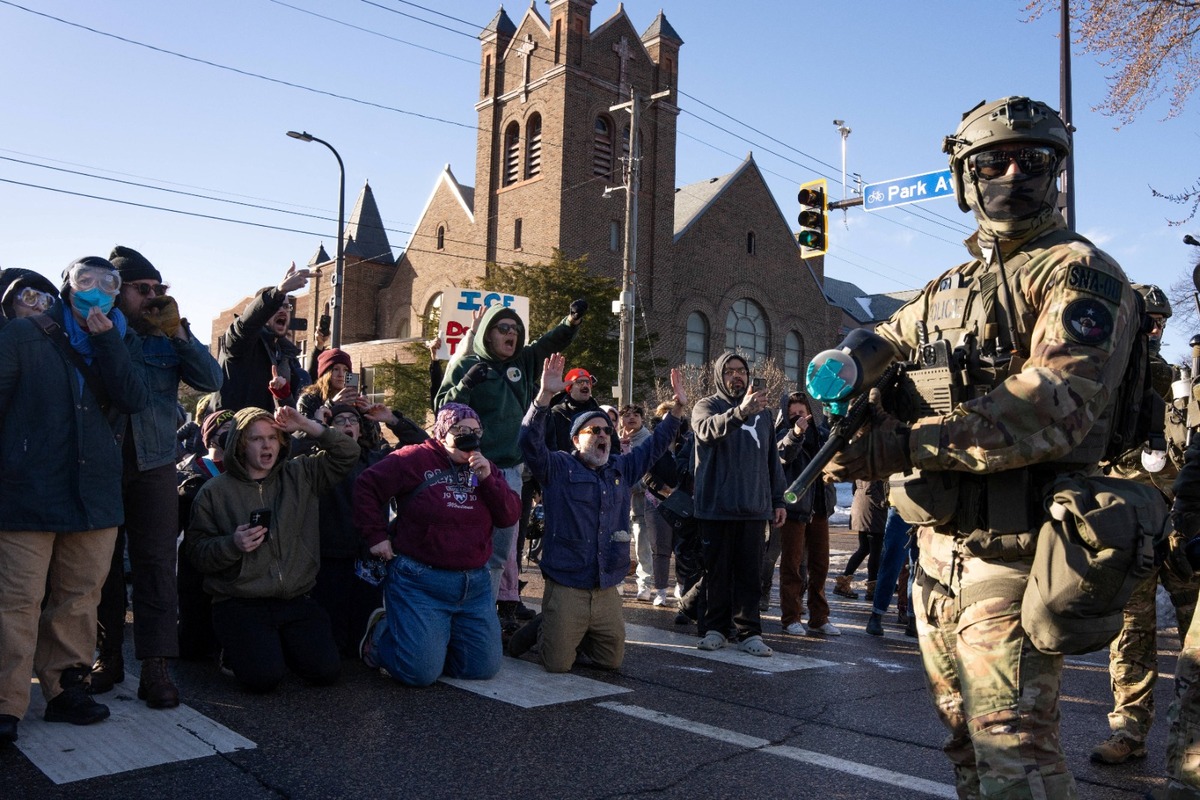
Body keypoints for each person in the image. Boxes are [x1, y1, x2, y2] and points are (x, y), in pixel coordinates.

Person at [825, 96, 1136, 798]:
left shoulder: (1078, 273)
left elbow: (1052, 405)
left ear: (1058, 171)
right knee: (965, 742)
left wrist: (904, 445)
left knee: (1014, 752)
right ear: (967, 178)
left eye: (1035, 160)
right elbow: (880, 346)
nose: (1014, 173)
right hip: (940, 553)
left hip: (1018, 552)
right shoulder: (947, 289)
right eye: (993, 161)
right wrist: (847, 393)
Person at [0, 256, 148, 745]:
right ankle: (5, 703)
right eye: (86, 281)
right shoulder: (25, 335)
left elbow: (134, 398)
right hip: (27, 492)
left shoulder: (121, 338)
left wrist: (106, 339)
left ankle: (66, 691)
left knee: (79, 600)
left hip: (95, 495)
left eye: (109, 283)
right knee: (16, 601)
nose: (98, 290)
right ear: (66, 287)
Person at [91, 245, 223, 709]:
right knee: (102, 566)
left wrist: (181, 331)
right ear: (115, 291)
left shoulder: (167, 335)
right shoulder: (101, 327)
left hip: (155, 464)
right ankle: (108, 657)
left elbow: (212, 380)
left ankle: (156, 667)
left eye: (158, 289)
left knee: (155, 566)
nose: (152, 296)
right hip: (102, 463)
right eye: (141, 288)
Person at [510, 354, 685, 671]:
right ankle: (546, 626)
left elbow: (655, 446)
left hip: (606, 588)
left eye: (606, 429)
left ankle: (574, 630)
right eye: (593, 430)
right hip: (568, 585)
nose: (603, 434)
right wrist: (544, 397)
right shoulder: (559, 467)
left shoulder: (621, 467)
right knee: (558, 664)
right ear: (577, 440)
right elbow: (529, 441)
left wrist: (677, 409)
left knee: (610, 661)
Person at [183, 405, 359, 693]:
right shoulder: (215, 491)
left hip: (295, 597)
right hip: (240, 600)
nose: (266, 445)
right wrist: (232, 544)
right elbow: (197, 552)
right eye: (256, 439)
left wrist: (306, 424)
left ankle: (277, 646)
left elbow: (348, 453)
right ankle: (237, 648)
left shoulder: (301, 474)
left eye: (273, 437)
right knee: (263, 679)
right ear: (240, 443)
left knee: (325, 671)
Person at [1094, 284, 1197, 767]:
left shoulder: (1176, 380)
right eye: (1148, 319)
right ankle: (1129, 731)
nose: (1155, 329)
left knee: (1194, 628)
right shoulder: (1107, 379)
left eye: (1160, 321)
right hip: (1129, 521)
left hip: (1177, 520)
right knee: (1132, 631)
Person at [435, 299, 586, 623]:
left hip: (510, 473)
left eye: (516, 330)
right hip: (470, 470)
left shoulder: (523, 362)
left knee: (500, 553)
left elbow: (550, 341)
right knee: (465, 546)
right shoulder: (467, 365)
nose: (512, 334)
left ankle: (482, 617)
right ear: (487, 334)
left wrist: (571, 320)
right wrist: (466, 385)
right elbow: (443, 411)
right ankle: (453, 613)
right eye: (504, 328)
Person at [354, 403, 521, 686]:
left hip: (474, 585)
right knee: (418, 674)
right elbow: (366, 486)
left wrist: (489, 479)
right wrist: (377, 536)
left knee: (481, 668)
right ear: (442, 432)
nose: (469, 438)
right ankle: (380, 634)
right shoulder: (412, 459)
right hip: (421, 580)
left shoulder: (484, 466)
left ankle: (430, 642)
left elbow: (509, 516)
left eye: (475, 432)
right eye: (460, 430)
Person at [306, 401, 427, 656]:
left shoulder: (378, 459)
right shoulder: (316, 462)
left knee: (362, 633)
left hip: (369, 557)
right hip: (330, 558)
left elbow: (421, 447)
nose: (348, 424)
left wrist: (392, 419)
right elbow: (291, 448)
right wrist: (315, 424)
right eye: (340, 421)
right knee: (331, 638)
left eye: (353, 420)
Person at [692, 353, 786, 657]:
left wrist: (777, 499)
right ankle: (716, 629)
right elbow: (707, 431)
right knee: (717, 573)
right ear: (720, 376)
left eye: (741, 371)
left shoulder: (764, 414)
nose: (737, 376)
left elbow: (773, 460)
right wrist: (741, 412)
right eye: (730, 372)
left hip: (754, 508)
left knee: (750, 574)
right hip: (716, 508)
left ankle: (749, 633)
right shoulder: (706, 406)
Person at [774, 391, 838, 637]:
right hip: (795, 510)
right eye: (792, 414)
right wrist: (795, 433)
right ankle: (791, 617)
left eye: (801, 413)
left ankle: (819, 617)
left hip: (819, 508)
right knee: (792, 567)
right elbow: (782, 454)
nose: (798, 418)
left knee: (820, 565)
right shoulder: (782, 433)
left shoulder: (821, 434)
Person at [176, 409, 235, 662]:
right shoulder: (189, 469)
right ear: (211, 437)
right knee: (192, 647)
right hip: (195, 560)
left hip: (230, 555)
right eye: (226, 430)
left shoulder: (245, 469)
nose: (232, 436)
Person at [215, 262, 311, 412]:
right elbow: (247, 325)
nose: (283, 311)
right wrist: (279, 291)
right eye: (277, 306)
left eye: (286, 306)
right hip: (236, 431)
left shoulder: (286, 355)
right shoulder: (239, 340)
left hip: (268, 432)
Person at [619, 404, 655, 600]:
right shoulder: (616, 439)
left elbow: (652, 471)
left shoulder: (648, 440)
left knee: (643, 545)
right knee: (618, 543)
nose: (631, 418)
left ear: (642, 418)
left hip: (643, 501)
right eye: (626, 415)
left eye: (636, 415)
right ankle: (618, 582)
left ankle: (645, 585)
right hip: (619, 503)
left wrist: (636, 485)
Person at [835, 479, 888, 601]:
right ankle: (872, 588)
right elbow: (871, 487)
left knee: (865, 548)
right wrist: (883, 503)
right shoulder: (874, 464)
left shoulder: (862, 464)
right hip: (873, 511)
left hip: (863, 506)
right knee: (875, 550)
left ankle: (843, 582)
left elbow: (856, 487)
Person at [545, 366, 603, 453]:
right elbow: (548, 445)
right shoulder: (556, 413)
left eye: (588, 382)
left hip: (594, 465)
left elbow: (613, 445)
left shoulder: (599, 414)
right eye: (580, 382)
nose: (585, 385)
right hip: (564, 463)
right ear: (570, 388)